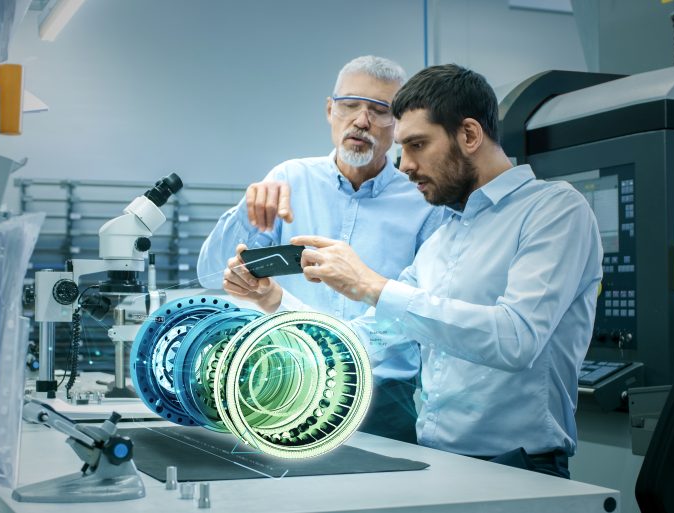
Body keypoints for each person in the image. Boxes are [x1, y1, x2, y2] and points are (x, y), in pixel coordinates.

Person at [243, 64, 602, 478]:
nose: (405, 166)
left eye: (417, 145)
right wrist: (274, 302)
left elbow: (516, 339)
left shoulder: (554, 211)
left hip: (518, 466)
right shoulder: (443, 237)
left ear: (469, 135)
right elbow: (367, 339)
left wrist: (372, 286)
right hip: (437, 463)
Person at [198, 56, 444, 444]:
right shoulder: (287, 179)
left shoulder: (423, 201)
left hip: (383, 395)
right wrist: (245, 214)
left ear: (398, 126)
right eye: (350, 105)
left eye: (380, 110)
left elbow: (420, 308)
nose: (361, 121)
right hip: (286, 384)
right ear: (330, 110)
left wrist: (340, 353)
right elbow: (212, 275)